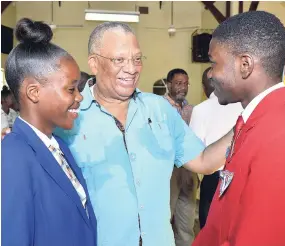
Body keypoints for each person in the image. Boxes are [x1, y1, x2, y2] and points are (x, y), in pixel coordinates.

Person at [55, 22, 233, 246]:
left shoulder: (159, 110)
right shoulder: (69, 119)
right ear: (94, 63)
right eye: (119, 60)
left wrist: (245, 123)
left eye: (137, 59)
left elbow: (204, 160)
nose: (131, 68)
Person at [193, 11, 285, 246]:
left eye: (214, 63)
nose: (211, 74)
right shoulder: (252, 120)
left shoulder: (280, 135)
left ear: (245, 65)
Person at [2, 18, 97, 246]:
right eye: (71, 89)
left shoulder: (58, 145)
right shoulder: (12, 157)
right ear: (34, 92)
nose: (79, 97)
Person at [189, 68, 243, 229]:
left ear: (204, 87)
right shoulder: (242, 106)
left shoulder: (200, 110)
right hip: (240, 176)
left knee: (209, 228)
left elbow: (194, 153)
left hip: (213, 177)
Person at [164, 68, 198, 246]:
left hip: (189, 169)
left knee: (187, 221)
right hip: (167, 172)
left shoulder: (192, 110)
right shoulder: (158, 108)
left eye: (185, 84)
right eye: (178, 83)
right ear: (168, 84)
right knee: (164, 219)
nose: (182, 88)